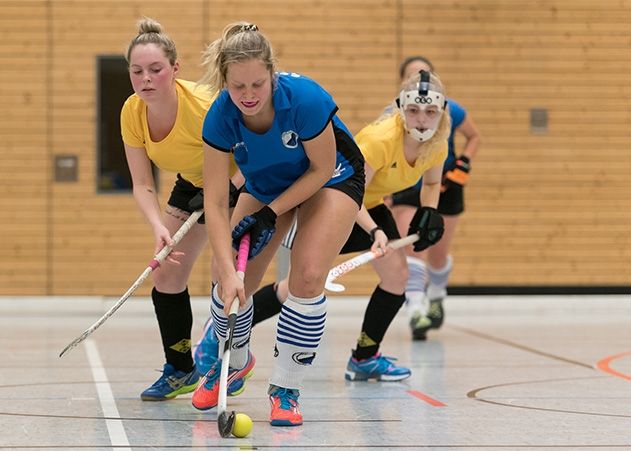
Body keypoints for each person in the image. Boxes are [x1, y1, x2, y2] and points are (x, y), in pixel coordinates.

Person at [191, 22, 365, 427]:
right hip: (267, 181)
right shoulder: (218, 119)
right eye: (238, 88)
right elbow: (216, 202)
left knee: (306, 275)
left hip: (331, 176)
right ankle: (235, 362)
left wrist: (271, 214)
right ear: (224, 82)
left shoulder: (305, 100)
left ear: (272, 73)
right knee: (227, 274)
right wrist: (224, 265)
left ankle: (285, 390)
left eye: (258, 84)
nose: (249, 96)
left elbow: (321, 168)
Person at [248, 69, 451, 381]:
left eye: (430, 112)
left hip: (369, 204)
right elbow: (351, 189)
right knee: (299, 285)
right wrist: (375, 230)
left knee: (397, 276)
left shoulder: (438, 142)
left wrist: (430, 213)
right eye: (413, 110)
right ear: (401, 108)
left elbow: (433, 182)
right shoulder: (381, 139)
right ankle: (224, 331)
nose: (422, 120)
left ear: (442, 112)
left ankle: (365, 357)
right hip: (335, 199)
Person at [121, 17, 241, 401]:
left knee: (224, 275)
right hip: (193, 184)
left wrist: (221, 193)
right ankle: (180, 370)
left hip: (243, 179)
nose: (146, 79)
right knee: (166, 275)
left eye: (156, 69)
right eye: (137, 71)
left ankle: (232, 364)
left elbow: (252, 158)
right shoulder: (132, 112)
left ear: (175, 69)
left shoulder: (206, 107)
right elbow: (142, 183)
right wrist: (159, 225)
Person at [387, 56, 481, 340]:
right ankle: (416, 308)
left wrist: (463, 163)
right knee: (412, 247)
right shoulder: (394, 113)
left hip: (444, 181)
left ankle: (436, 294)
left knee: (437, 254)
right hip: (408, 182)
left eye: (424, 73)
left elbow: (474, 137)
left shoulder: (451, 109)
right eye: (412, 74)